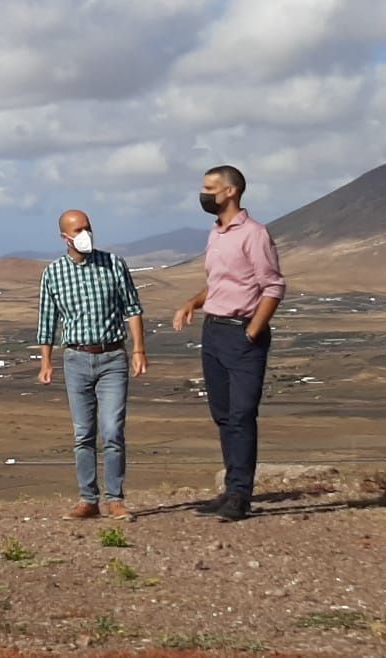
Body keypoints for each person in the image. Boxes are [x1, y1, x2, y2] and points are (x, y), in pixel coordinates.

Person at [172, 165, 285, 522]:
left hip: (241, 332)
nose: (204, 195)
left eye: (210, 188)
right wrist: (193, 302)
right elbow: (222, 283)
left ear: (231, 192)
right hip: (213, 331)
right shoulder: (216, 233)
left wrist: (253, 329)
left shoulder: (254, 234)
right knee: (222, 414)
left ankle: (240, 495)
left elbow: (273, 286)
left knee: (241, 414)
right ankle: (231, 489)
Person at [35, 209, 147, 521]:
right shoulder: (53, 274)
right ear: (64, 238)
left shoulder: (113, 264)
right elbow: (47, 321)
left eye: (88, 228)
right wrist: (46, 361)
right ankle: (88, 499)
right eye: (78, 230)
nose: (86, 234)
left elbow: (133, 308)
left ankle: (115, 499)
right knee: (83, 433)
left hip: (112, 356)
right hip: (75, 358)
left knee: (112, 430)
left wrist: (139, 350)